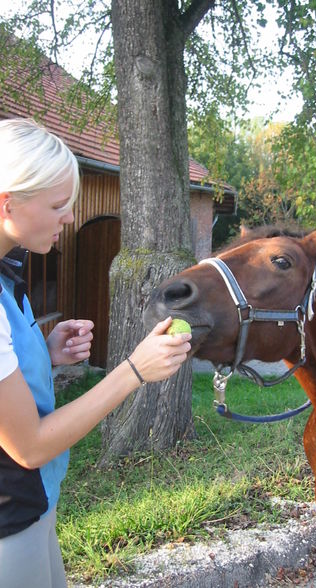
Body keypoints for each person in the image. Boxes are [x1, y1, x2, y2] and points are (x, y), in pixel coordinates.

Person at [0, 118, 191, 588]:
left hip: (36, 501)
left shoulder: (11, 263)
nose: (69, 217)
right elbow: (29, 446)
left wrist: (43, 352)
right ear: (7, 203)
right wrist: (132, 372)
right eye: (59, 205)